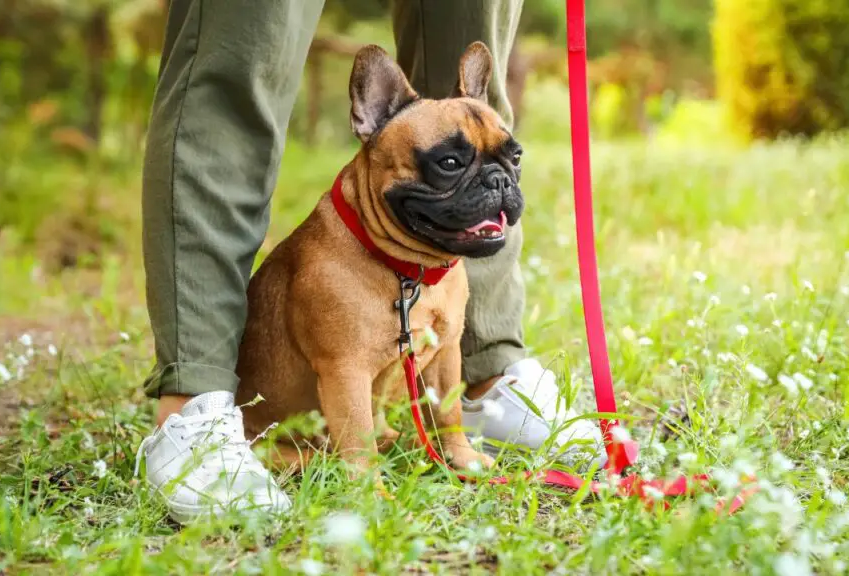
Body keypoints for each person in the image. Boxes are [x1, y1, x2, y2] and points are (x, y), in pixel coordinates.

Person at [135, 0, 603, 524]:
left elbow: (445, 342)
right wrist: (363, 477)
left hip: (420, 287)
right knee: (245, 41)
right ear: (371, 119)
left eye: (505, 160)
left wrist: (453, 446)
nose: (495, 183)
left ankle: (482, 396)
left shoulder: (445, 259)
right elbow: (346, 367)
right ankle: (195, 411)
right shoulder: (331, 267)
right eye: (448, 164)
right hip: (290, 433)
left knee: (471, 15)